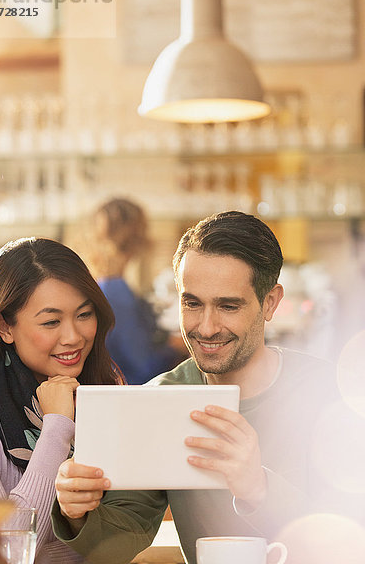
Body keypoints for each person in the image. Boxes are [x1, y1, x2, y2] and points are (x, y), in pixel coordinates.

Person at [52, 211, 338, 564]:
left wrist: (258, 487)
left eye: (228, 306)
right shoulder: (161, 400)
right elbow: (120, 539)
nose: (206, 327)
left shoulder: (330, 395)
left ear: (270, 303)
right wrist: (76, 511)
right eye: (192, 303)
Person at [0, 237, 123, 564]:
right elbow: (5, 551)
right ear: (5, 327)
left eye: (84, 314)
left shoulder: (106, 390)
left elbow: (123, 532)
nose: (73, 337)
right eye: (51, 321)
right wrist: (57, 427)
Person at [84, 198, 185, 384]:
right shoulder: (117, 292)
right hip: (131, 396)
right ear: (138, 236)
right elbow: (144, 367)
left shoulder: (104, 286)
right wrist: (178, 346)